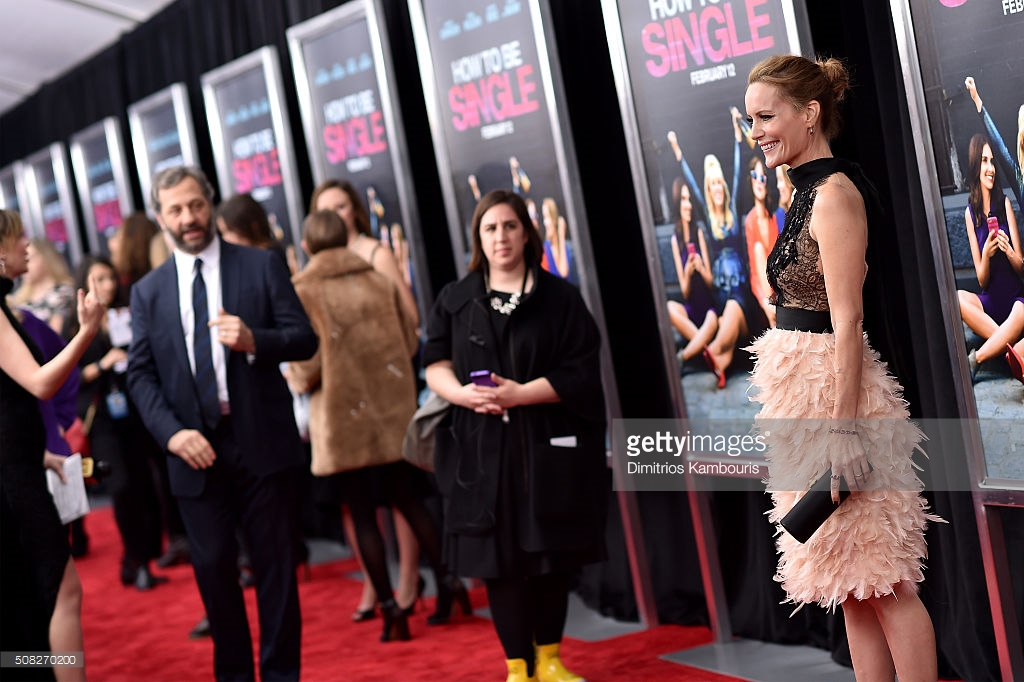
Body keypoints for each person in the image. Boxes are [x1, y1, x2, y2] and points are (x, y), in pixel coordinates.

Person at [744, 55, 943, 682]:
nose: (758, 132)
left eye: (767, 117)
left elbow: (848, 319)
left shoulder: (833, 195)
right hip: (802, 397)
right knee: (849, 582)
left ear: (809, 115)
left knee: (884, 577)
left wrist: (843, 427)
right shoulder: (802, 191)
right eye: (751, 120)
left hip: (840, 397)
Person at [127, 166, 317, 681]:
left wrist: (257, 339)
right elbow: (140, 376)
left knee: (276, 572)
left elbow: (304, 338)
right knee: (213, 572)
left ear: (210, 203)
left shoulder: (260, 267)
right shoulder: (147, 293)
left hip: (261, 442)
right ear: (161, 217)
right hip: (193, 449)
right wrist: (172, 433)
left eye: (195, 205)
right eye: (175, 210)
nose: (188, 218)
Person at [424, 190, 607, 682]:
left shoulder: (560, 298)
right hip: (481, 452)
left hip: (546, 448)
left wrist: (520, 394)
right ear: (478, 239)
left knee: (548, 556)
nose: (500, 237)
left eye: (509, 226)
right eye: (490, 228)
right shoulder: (456, 299)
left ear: (526, 232)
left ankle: (549, 659)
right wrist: (463, 395)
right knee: (498, 562)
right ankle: (517, 668)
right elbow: (434, 363)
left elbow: (582, 372)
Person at [287, 209, 467, 642]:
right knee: (409, 500)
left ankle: (391, 610)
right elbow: (409, 340)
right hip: (390, 412)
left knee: (362, 512)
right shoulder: (379, 280)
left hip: (341, 415)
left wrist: (299, 376)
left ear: (308, 246)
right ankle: (449, 581)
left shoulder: (304, 290)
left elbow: (305, 361)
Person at [309, 178, 427, 621]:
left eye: (341, 206)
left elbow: (409, 324)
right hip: (342, 408)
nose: (335, 215)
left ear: (355, 210)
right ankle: (374, 587)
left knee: (401, 494)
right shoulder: (313, 270)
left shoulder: (376, 254)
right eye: (326, 210)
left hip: (384, 398)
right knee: (355, 504)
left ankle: (408, 580)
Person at [1, 208, 104, 681]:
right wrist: (85, 334)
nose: (28, 246)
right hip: (15, 483)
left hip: (19, 468)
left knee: (38, 599)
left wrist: (32, 451)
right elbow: (41, 384)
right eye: (19, 239)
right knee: (62, 593)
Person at [69, 256, 169, 590]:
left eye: (110, 277)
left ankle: (142, 560)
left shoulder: (130, 313)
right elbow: (68, 378)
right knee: (122, 486)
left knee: (145, 485)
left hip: (137, 413)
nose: (108, 284)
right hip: (101, 420)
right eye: (99, 278)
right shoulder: (75, 324)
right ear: (85, 282)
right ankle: (134, 559)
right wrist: (102, 364)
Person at [108, 212, 191, 571]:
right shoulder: (138, 290)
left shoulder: (138, 290)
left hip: (162, 394)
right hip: (156, 395)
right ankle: (178, 534)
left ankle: (179, 534)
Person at [667, 110, 752, 388]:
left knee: (732, 307)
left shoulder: (731, 209)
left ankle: (713, 352)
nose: (717, 187)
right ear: (709, 186)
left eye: (719, 182)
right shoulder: (708, 215)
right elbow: (691, 182)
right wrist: (679, 154)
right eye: (712, 183)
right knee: (725, 309)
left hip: (739, 286)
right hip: (720, 288)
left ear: (724, 187)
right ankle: (721, 362)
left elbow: (739, 174)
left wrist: (737, 137)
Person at [955, 133, 1024, 378]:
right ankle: (1010, 346)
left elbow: (1022, 269)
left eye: (992, 161)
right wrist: (986, 253)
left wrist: (1009, 252)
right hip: (990, 302)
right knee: (956, 298)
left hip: (1016, 301)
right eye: (985, 161)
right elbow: (982, 281)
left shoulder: (1004, 203)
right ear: (976, 166)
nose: (991, 168)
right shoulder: (969, 214)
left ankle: (977, 358)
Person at [666, 177, 719, 363]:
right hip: (691, 311)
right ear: (677, 204)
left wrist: (701, 268)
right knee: (669, 307)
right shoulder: (675, 240)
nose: (688, 205)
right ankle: (706, 348)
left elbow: (711, 283)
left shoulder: (698, 232)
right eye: (683, 199)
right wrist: (688, 272)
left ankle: (683, 357)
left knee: (713, 319)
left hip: (707, 311)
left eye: (689, 199)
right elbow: (685, 292)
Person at [10, 237, 75, 334]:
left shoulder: (63, 292)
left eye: (29, 258)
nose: (24, 263)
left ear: (46, 258)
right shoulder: (18, 299)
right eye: (22, 258)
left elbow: (55, 335)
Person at [744, 156, 780, 329]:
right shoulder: (750, 221)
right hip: (764, 297)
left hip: (780, 289)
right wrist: (765, 304)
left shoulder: (773, 218)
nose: (759, 181)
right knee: (758, 248)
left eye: (762, 177)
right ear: (750, 181)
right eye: (755, 176)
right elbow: (754, 273)